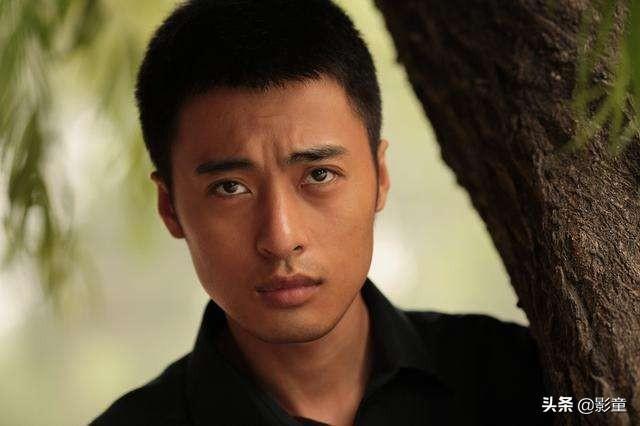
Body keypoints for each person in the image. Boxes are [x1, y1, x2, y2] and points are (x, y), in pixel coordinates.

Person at [92, 0, 551, 424]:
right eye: (230, 187)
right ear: (170, 207)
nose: (281, 238)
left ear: (380, 177)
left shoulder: (524, 381)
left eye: (319, 175)